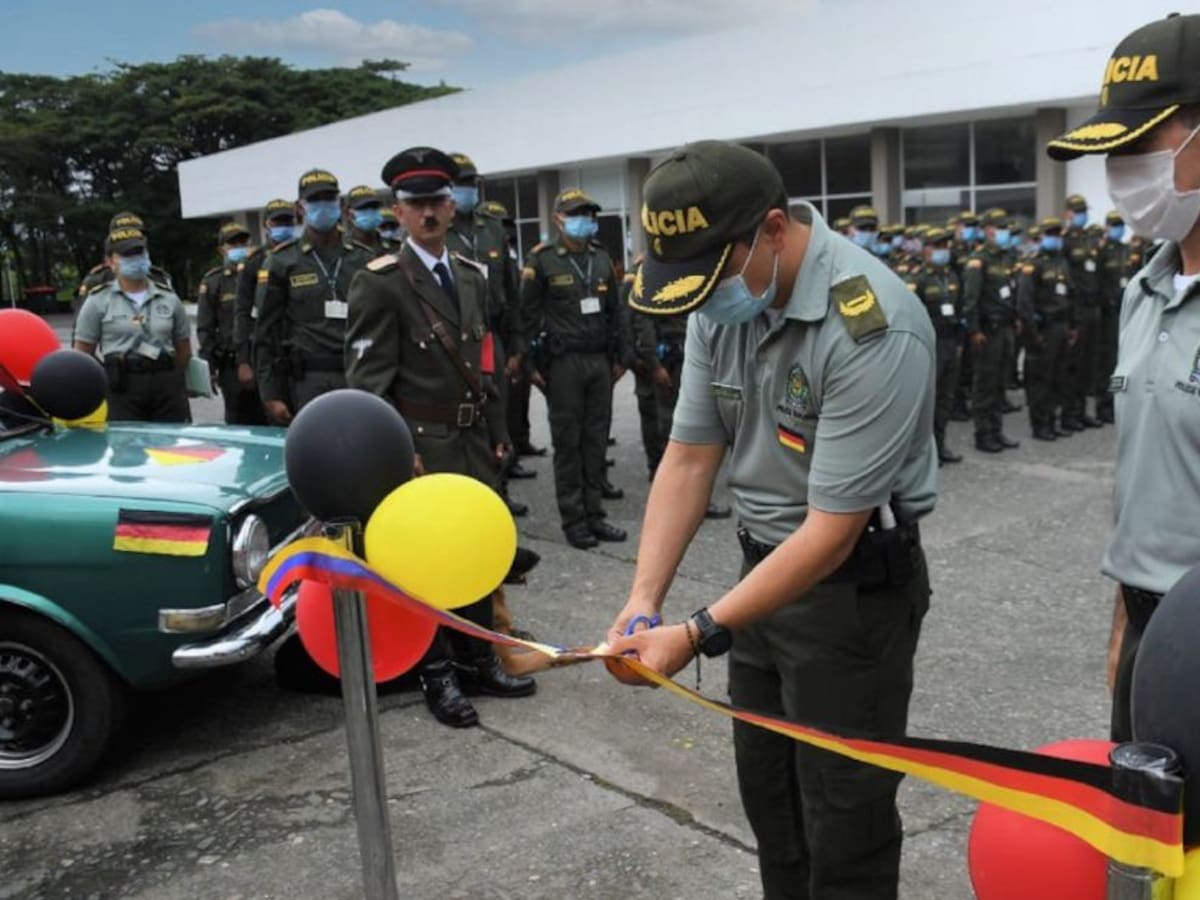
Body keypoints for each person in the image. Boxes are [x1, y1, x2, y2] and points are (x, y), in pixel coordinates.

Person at [608, 141, 935, 900]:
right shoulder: (720, 297)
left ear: (774, 231)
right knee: (773, 808)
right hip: (758, 583)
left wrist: (695, 634)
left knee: (844, 820)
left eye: (710, 276)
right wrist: (644, 599)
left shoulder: (871, 325)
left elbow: (831, 532)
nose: (699, 299)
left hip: (848, 599)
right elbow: (690, 457)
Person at [1046, 11, 1200, 741]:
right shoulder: (1146, 291)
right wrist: (1128, 624)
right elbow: (1150, 481)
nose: (1121, 171)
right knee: (1146, 850)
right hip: (1153, 628)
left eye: (1141, 144)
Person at [345, 146, 535, 728]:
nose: (427, 213)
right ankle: (438, 672)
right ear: (396, 214)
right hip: (424, 446)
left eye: (436, 202)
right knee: (427, 563)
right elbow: (367, 385)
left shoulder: (472, 276)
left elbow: (484, 360)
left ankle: (479, 656)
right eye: (415, 204)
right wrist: (404, 452)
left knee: (476, 551)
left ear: (452, 208)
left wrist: (501, 431)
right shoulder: (380, 283)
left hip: (473, 438)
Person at [520, 188, 628, 550]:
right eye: (578, 214)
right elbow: (527, 316)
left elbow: (617, 311)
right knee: (569, 442)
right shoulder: (543, 260)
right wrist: (530, 364)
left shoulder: (600, 257)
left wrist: (622, 357)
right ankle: (574, 518)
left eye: (590, 214)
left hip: (599, 361)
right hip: (563, 362)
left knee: (596, 440)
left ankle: (595, 514)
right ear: (558, 219)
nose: (586, 220)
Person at [254, 169, 372, 424]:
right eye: (314, 200)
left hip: (359, 373)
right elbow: (264, 332)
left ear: (340, 205)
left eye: (329, 199)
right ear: (300, 207)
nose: (323, 207)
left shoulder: (363, 258)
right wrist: (269, 393)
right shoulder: (282, 261)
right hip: (307, 380)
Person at [74, 227, 191, 422]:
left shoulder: (168, 297)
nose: (136, 259)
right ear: (110, 261)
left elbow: (184, 348)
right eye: (127, 255)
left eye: (140, 252)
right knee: (127, 447)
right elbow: (82, 353)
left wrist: (171, 377)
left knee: (170, 447)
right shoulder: (98, 300)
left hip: (165, 384)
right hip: (122, 386)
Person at [963, 208, 1021, 452]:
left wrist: (1015, 318)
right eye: (1002, 228)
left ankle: (997, 430)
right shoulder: (979, 260)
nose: (1007, 232)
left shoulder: (1005, 257)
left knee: (1000, 384)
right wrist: (974, 330)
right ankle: (983, 434)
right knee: (985, 385)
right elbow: (970, 300)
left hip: (1005, 328)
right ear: (989, 231)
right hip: (988, 331)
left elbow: (1011, 292)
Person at [198, 222, 267, 425]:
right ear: (222, 249)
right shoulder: (214, 282)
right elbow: (206, 328)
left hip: (265, 360)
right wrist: (209, 367)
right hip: (232, 364)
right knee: (238, 422)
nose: (239, 247)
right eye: (233, 243)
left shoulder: (264, 273)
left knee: (271, 418)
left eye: (243, 243)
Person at [906, 227, 963, 463]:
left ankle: (940, 446)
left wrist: (960, 342)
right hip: (931, 345)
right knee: (928, 401)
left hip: (951, 343)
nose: (943, 251)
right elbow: (910, 316)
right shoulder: (917, 279)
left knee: (946, 399)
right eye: (938, 246)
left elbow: (959, 311)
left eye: (945, 247)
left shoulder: (951, 277)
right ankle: (924, 455)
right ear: (926, 250)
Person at [233, 198, 295, 416]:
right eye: (278, 222)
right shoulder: (255, 261)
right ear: (266, 224)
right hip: (270, 346)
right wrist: (243, 360)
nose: (284, 227)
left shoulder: (302, 255)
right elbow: (242, 311)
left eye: (288, 221)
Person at [1017, 217, 1075, 441]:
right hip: (1043, 329)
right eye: (1050, 234)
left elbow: (1070, 295)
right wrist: (1034, 334)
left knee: (1058, 377)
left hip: (1061, 327)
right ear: (1041, 237)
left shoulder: (1061, 262)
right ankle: (1040, 425)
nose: (1055, 238)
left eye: (1057, 234)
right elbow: (1024, 303)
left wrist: (1072, 325)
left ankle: (1052, 420)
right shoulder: (1033, 264)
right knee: (1040, 380)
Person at [1062, 194, 1104, 429]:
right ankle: (1069, 414)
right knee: (1073, 365)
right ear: (1068, 213)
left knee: (1090, 363)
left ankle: (1082, 410)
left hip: (1093, 307)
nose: (1082, 215)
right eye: (1078, 211)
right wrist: (1071, 319)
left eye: (1083, 211)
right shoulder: (1065, 241)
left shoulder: (1090, 239)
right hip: (1077, 309)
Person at [1095, 211, 1141, 424]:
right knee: (1107, 362)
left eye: (1121, 224)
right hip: (1108, 315)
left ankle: (1116, 402)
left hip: (1125, 313)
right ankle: (1103, 405)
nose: (1118, 228)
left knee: (1122, 362)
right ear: (1106, 227)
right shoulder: (1101, 252)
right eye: (1114, 224)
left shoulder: (1126, 250)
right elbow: (1095, 281)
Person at [345, 185, 387, 252]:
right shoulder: (343, 248)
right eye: (363, 208)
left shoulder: (391, 246)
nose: (370, 211)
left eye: (374, 207)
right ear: (349, 214)